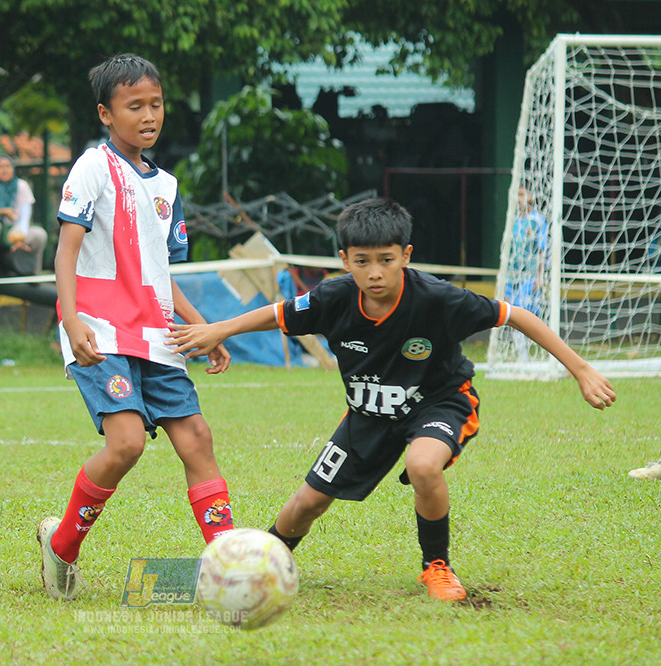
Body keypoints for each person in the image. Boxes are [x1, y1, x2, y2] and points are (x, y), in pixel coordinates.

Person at [167, 197, 616, 602]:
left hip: (440, 402)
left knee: (423, 464)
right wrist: (219, 328)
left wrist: (580, 368)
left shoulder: (438, 299)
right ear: (344, 260)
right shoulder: (334, 298)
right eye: (362, 261)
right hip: (369, 414)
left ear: (406, 256)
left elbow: (514, 315)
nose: (375, 272)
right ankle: (262, 563)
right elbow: (279, 314)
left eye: (386, 260)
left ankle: (436, 566)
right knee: (308, 503)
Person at [37, 54, 234, 601]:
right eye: (134, 106)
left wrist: (204, 328)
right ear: (106, 113)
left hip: (157, 333)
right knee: (126, 444)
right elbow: (66, 250)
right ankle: (61, 545)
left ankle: (227, 566)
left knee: (197, 438)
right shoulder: (92, 168)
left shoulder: (166, 185)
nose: (149, 115)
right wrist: (71, 318)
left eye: (156, 104)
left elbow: (159, 273)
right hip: (100, 329)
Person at [0, 155, 47, 274]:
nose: (4, 170)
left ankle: (34, 271)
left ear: (13, 169)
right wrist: (0, 212)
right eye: (0, 166)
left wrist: (20, 239)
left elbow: (25, 217)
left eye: (7, 166)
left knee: (39, 234)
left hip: (14, 234)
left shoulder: (21, 186)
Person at [506, 186, 549, 362]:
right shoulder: (512, 220)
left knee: (526, 315)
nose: (519, 198)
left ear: (530, 197)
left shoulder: (537, 221)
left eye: (522, 195)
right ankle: (522, 357)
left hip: (529, 276)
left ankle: (535, 355)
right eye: (516, 194)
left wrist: (540, 277)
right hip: (511, 277)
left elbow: (542, 250)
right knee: (510, 316)